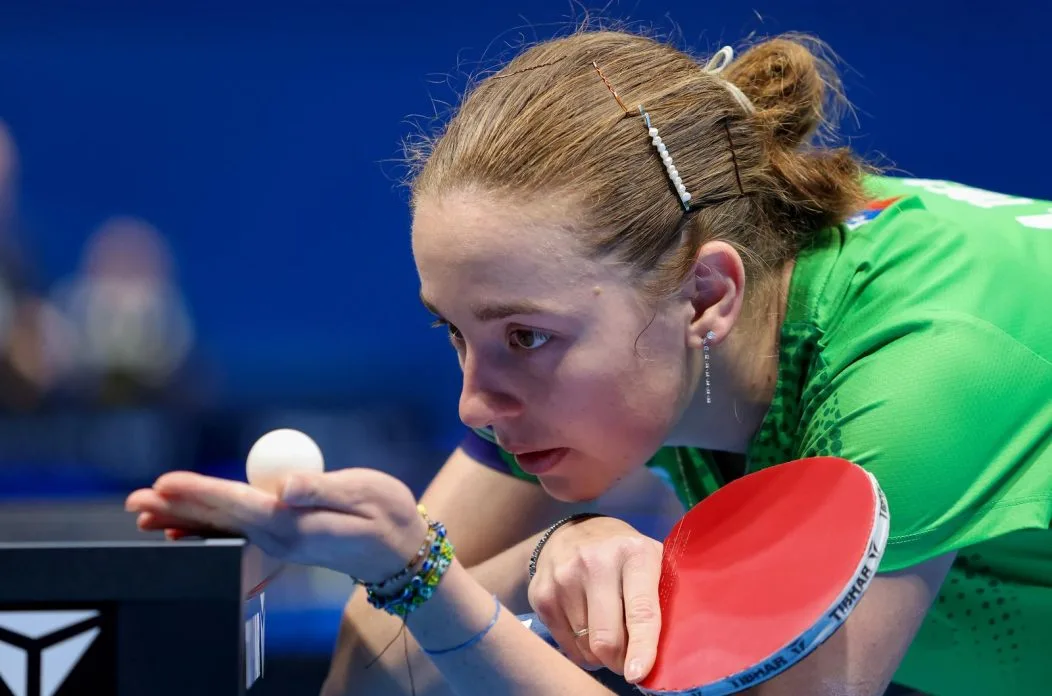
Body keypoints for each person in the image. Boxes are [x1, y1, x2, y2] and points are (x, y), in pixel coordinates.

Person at [125, 28, 1052, 696]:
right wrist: (523, 555)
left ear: (707, 297)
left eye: (525, 337)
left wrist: (426, 582)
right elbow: (371, 670)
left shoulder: (918, 380)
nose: (475, 404)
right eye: (454, 332)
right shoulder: (636, 332)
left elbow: (418, 613)